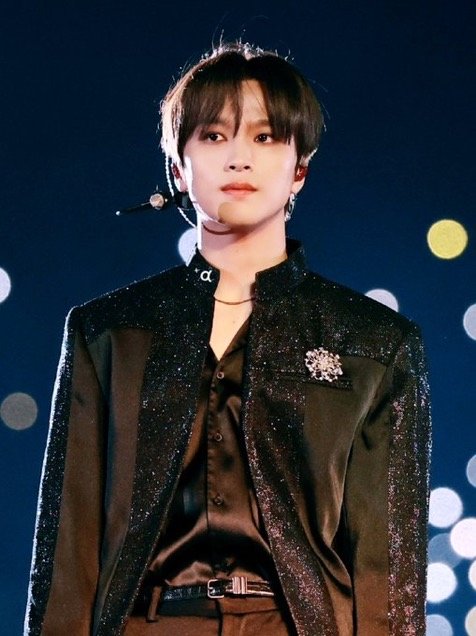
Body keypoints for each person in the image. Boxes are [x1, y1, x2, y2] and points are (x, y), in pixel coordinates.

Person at [24, 42, 431, 636]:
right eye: (214, 136)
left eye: (265, 137)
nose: (239, 158)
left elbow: (387, 572)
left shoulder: (375, 344)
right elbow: (70, 551)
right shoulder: (110, 332)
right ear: (178, 167)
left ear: (300, 167)